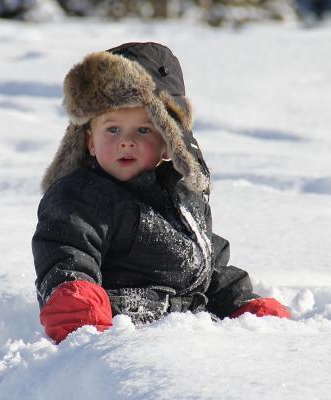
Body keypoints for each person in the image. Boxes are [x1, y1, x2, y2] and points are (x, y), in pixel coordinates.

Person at [32, 42, 290, 344]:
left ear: (169, 140)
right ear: (89, 141)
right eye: (112, 129)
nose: (126, 141)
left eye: (143, 130)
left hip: (187, 333)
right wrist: (76, 304)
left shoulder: (183, 196)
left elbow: (207, 273)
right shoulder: (81, 197)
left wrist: (242, 307)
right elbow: (67, 252)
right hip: (121, 333)